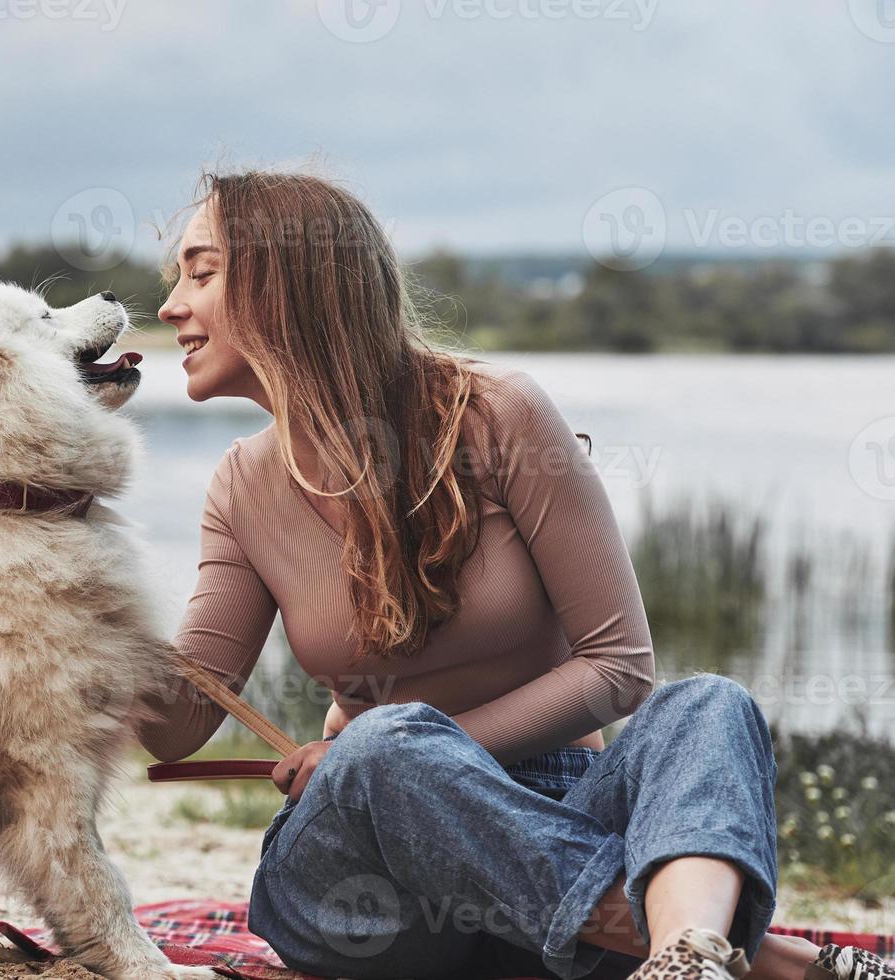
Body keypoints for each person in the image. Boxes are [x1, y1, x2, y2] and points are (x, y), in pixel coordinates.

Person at [136, 170, 888, 980]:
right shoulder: (241, 488)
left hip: (557, 816)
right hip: (375, 892)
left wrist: (416, 746)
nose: (171, 305)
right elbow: (172, 728)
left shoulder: (500, 415)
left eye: (202, 274)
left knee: (708, 705)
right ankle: (739, 955)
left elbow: (620, 666)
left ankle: (680, 957)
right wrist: (60, 559)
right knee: (383, 748)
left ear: (294, 288)